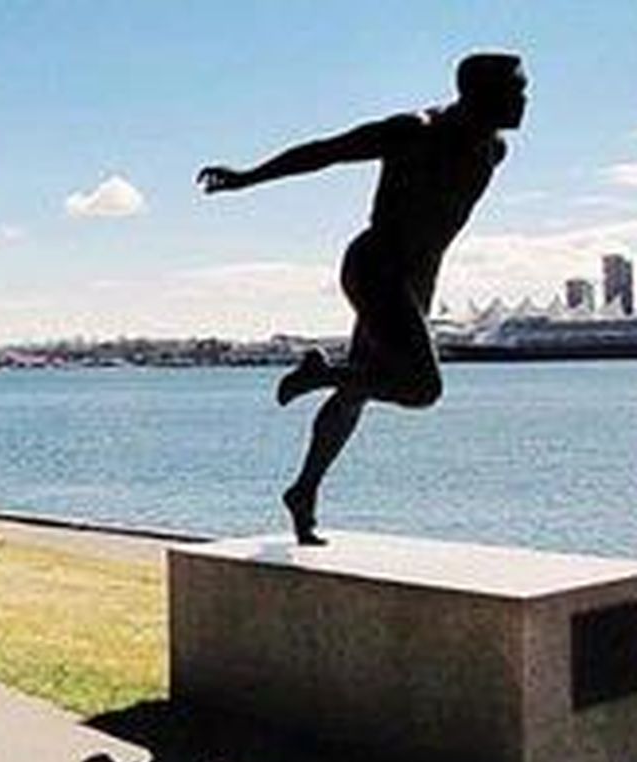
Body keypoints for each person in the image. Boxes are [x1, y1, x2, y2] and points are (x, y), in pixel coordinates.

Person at [197, 53, 527, 545]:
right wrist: (246, 177)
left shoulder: (494, 149)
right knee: (421, 388)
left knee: (360, 387)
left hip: (417, 280)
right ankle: (319, 373)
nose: (524, 100)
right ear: (478, 93)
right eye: (516, 90)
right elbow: (325, 152)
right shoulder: (415, 130)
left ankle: (303, 491)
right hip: (376, 267)